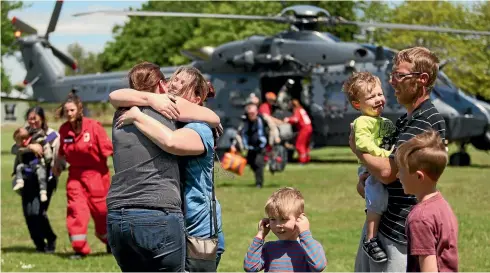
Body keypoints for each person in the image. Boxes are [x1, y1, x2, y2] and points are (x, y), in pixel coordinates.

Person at [106, 62, 221, 272]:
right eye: (174, 79)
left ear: (197, 99)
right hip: (169, 216)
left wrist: (138, 115)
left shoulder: (193, 124)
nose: (175, 84)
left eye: (182, 82)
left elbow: (173, 142)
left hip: (197, 225)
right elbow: (115, 95)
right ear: (161, 84)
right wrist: (151, 99)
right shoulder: (166, 112)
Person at [351, 46, 447, 272]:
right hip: (382, 226)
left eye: (400, 76)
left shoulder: (425, 121)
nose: (392, 82)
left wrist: (358, 150)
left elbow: (387, 172)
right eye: (392, 75)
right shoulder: (406, 120)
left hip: (398, 232)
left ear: (422, 79)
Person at [343, 72, 396, 263]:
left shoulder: (387, 123)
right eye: (371, 97)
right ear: (357, 104)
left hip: (383, 165)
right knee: (378, 199)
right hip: (369, 168)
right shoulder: (361, 122)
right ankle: (370, 238)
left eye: (380, 94)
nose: (378, 99)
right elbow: (363, 145)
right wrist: (387, 156)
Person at [52, 92, 113, 259]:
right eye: (67, 111)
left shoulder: (94, 127)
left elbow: (111, 151)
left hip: (98, 177)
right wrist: (57, 165)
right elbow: (61, 154)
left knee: (102, 214)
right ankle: (79, 248)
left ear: (79, 109)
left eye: (72, 110)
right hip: (75, 177)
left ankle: (110, 242)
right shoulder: (64, 130)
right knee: (76, 211)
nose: (69, 114)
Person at [395, 130, 458, 272]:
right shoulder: (441, 205)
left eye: (402, 171)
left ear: (419, 176)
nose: (398, 175)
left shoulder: (419, 218)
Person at [10, 106, 60, 253]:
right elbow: (14, 148)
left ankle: (50, 239)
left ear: (42, 119)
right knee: (28, 213)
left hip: (45, 179)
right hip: (26, 179)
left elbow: (55, 155)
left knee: (38, 212)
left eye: (35, 118)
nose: (32, 121)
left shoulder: (51, 135)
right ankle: (39, 244)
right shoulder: (23, 133)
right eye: (29, 118)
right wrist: (30, 146)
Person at [243, 187, 327, 272]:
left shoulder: (309, 247)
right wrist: (260, 235)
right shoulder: (269, 248)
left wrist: (305, 233)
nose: (278, 225)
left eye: (284, 219)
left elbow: (318, 266)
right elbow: (250, 267)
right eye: (272, 219)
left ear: (300, 218)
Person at [231, 101, 268, 188]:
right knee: (251, 163)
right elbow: (239, 133)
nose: (251, 115)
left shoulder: (262, 119)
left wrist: (275, 138)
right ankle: (258, 175)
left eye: (253, 113)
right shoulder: (245, 122)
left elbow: (272, 126)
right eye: (249, 113)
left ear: (257, 112)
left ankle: (259, 183)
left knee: (258, 163)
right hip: (250, 147)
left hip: (261, 146)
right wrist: (234, 145)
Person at [12, 126, 54, 203]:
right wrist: (29, 147)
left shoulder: (39, 138)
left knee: (41, 174)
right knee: (19, 167)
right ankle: (20, 182)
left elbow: (46, 149)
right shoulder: (22, 143)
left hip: (39, 165)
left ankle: (43, 192)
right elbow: (14, 150)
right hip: (27, 167)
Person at [284, 99, 313, 164]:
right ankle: (306, 159)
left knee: (299, 145)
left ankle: (302, 160)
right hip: (309, 127)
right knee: (305, 145)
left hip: (304, 129)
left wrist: (288, 119)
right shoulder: (302, 109)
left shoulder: (297, 110)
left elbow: (296, 119)